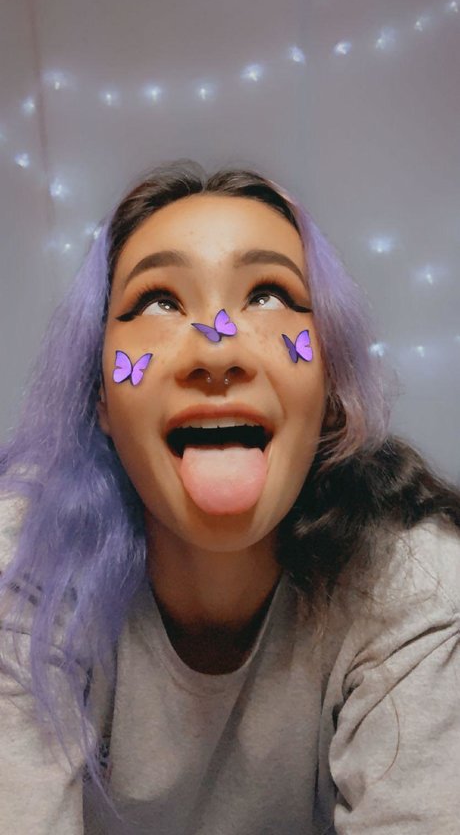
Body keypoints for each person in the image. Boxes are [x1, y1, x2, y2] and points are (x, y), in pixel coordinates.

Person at [0, 159, 459, 835]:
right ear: (100, 396)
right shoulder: (23, 566)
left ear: (330, 388)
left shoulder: (418, 585)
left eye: (269, 294)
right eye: (158, 301)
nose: (216, 352)